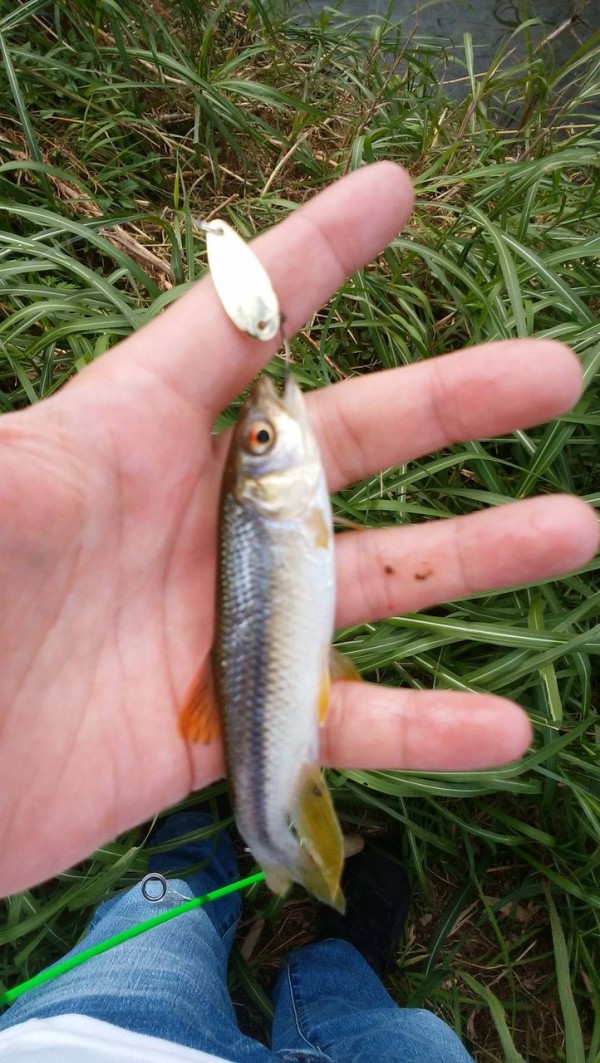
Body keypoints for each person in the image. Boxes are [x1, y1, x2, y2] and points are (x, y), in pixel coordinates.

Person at [0, 162, 596, 1061]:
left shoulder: (277, 508)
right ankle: (334, 953)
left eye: (261, 437)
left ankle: (204, 867)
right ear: (261, 486)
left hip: (80, 1041)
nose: (272, 423)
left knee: (156, 934)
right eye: (265, 441)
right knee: (396, 1040)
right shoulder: (273, 507)